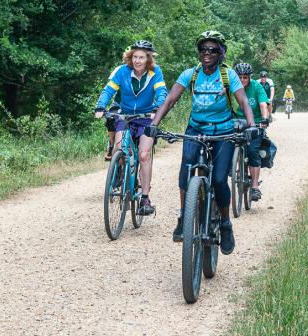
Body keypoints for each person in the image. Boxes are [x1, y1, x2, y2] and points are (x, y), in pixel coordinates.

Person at [145, 31, 256, 255]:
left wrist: (251, 125)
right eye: (203, 49)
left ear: (221, 53)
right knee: (186, 170)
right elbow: (170, 100)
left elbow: (243, 101)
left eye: (212, 50)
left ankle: (225, 224)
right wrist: (155, 124)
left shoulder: (228, 75)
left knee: (218, 179)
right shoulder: (191, 74)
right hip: (195, 128)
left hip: (223, 131)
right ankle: (183, 216)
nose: (207, 53)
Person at [94, 40, 167, 216]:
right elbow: (108, 90)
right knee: (119, 149)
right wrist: (100, 106)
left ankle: (145, 198)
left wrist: (158, 107)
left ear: (148, 59)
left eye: (141, 57)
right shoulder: (122, 71)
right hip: (124, 115)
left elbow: (161, 92)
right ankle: (121, 173)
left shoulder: (155, 72)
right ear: (130, 57)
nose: (137, 60)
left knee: (143, 155)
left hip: (146, 118)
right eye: (135, 56)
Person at [233, 62, 269, 201]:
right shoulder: (231, 87)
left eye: (245, 77)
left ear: (249, 77)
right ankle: (234, 166)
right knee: (228, 144)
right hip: (237, 123)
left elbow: (262, 104)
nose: (242, 80)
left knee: (253, 151)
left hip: (255, 123)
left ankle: (254, 187)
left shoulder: (257, 86)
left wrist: (265, 118)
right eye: (239, 77)